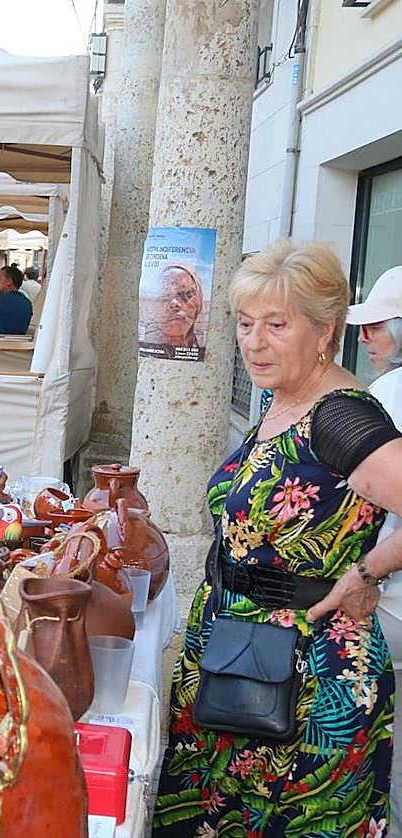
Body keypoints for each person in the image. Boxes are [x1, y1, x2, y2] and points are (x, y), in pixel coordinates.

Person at [153, 240, 401, 836]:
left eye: (276, 325)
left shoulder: (342, 416)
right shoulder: (282, 398)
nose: (253, 342)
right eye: (244, 323)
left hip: (309, 678)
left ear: (325, 331)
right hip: (236, 655)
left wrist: (368, 571)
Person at [345, 264, 402, 835]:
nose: (364, 337)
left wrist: (364, 571)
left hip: (388, 598)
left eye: (377, 325)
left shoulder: (388, 393)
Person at [142, 262, 203, 354]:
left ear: (199, 302)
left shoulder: (207, 345)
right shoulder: (144, 344)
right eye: (164, 296)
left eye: (187, 294)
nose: (174, 303)